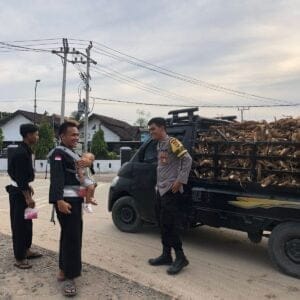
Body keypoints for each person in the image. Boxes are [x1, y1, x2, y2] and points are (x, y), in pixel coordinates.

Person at [49, 121, 90, 297]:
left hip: (75, 200)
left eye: (77, 135)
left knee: (68, 236)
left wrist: (89, 160)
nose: (76, 138)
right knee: (72, 238)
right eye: (72, 135)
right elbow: (57, 177)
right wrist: (59, 200)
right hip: (66, 202)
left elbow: (83, 171)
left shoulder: (73, 152)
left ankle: (63, 269)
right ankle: (70, 278)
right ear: (62, 136)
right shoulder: (58, 153)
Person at [147, 117, 192, 275]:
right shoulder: (159, 144)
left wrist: (180, 180)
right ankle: (166, 255)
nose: (150, 132)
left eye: (153, 129)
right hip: (160, 190)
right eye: (150, 129)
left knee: (170, 225)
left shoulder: (173, 142)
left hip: (170, 192)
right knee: (161, 223)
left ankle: (180, 257)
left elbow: (187, 159)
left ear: (162, 128)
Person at [6, 123, 42, 269]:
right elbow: (19, 177)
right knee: (19, 225)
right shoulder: (21, 153)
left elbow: (17, 174)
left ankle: (26, 250)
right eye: (36, 134)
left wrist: (27, 185)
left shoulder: (26, 150)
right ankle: (19, 258)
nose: (37, 136)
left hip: (23, 189)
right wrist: (28, 197)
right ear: (28, 135)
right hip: (19, 194)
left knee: (28, 222)